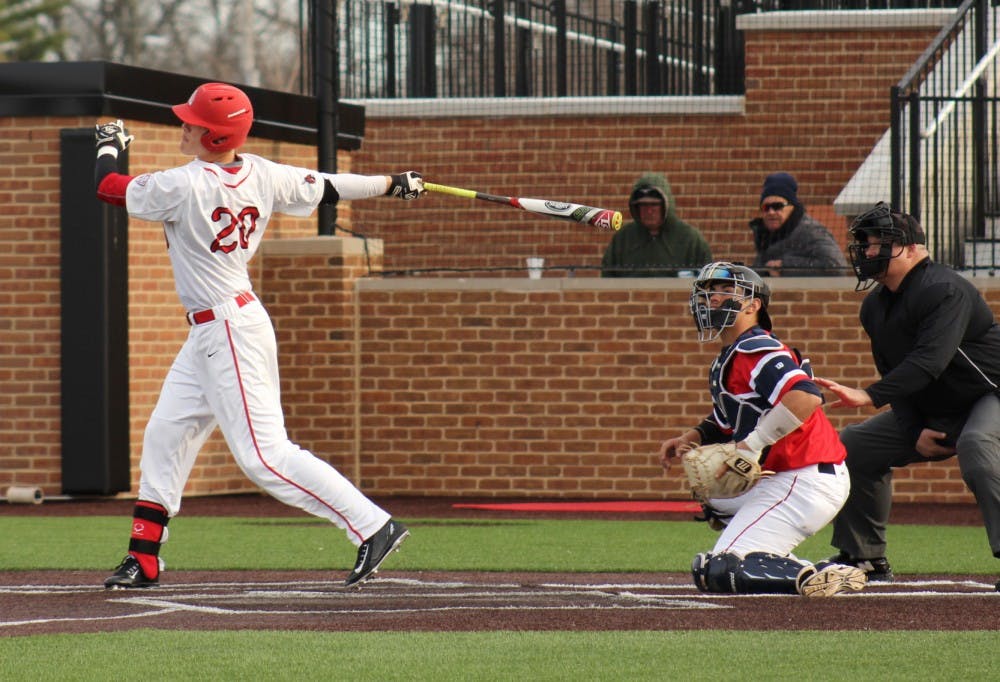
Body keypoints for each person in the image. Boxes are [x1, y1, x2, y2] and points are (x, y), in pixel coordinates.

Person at [93, 82, 424, 589]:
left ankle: (373, 525)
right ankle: (144, 558)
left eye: (193, 123)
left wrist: (108, 143)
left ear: (215, 136)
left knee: (265, 457)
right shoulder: (263, 174)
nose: (184, 126)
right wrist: (391, 182)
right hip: (214, 330)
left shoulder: (185, 183)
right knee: (165, 436)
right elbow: (331, 184)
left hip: (227, 328)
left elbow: (108, 185)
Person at [815, 202, 1000, 587]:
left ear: (913, 247)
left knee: (978, 445)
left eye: (878, 243)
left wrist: (867, 395)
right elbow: (895, 373)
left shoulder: (944, 288)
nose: (868, 252)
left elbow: (928, 361)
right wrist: (913, 426)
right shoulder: (874, 307)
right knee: (851, 447)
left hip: (990, 395)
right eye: (864, 244)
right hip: (938, 408)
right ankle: (863, 557)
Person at [658, 262, 866, 597]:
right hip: (788, 477)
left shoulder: (758, 347)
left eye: (726, 291)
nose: (713, 298)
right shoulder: (732, 355)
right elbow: (728, 420)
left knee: (720, 569)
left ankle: (816, 574)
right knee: (712, 496)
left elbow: (806, 396)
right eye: (709, 291)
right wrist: (691, 437)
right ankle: (772, 550)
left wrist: (752, 445)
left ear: (753, 305)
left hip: (803, 477)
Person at [601, 172, 712, 277]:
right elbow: (607, 279)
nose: (649, 211)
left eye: (654, 205)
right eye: (643, 205)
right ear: (636, 208)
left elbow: (706, 282)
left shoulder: (690, 240)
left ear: (665, 206)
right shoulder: (623, 239)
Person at [749, 172, 848, 276]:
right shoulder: (766, 235)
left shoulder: (811, 231)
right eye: (766, 207)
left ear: (792, 207)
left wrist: (784, 266)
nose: (771, 212)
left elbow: (836, 266)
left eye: (777, 206)